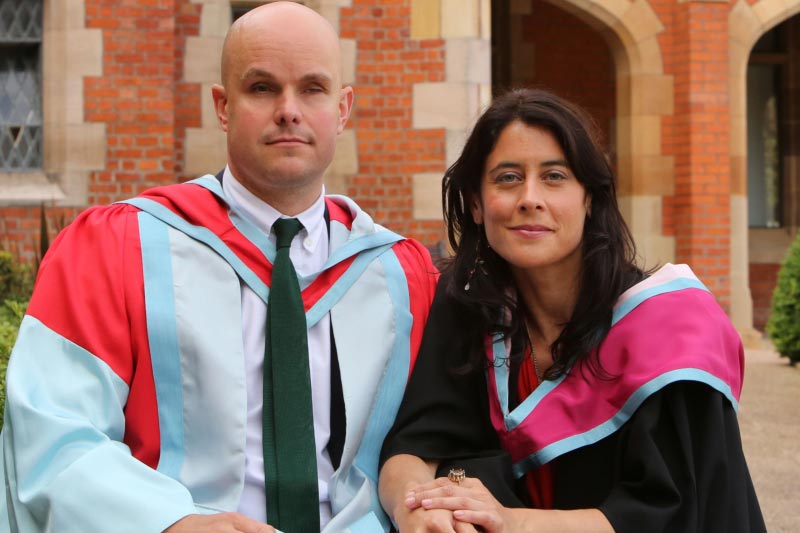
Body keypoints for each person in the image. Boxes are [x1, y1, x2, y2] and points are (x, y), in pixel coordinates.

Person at [0, 3, 437, 532]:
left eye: (313, 89)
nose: (289, 110)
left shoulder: (402, 277)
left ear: (343, 109)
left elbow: (443, 440)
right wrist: (171, 521)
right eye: (261, 88)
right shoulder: (116, 250)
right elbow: (53, 432)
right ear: (222, 106)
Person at [378, 88, 765, 532]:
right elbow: (413, 445)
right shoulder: (470, 308)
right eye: (507, 177)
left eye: (555, 176)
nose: (530, 198)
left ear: (589, 198)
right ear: (477, 205)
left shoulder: (669, 327)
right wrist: (418, 509)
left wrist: (512, 523)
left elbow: (672, 514)